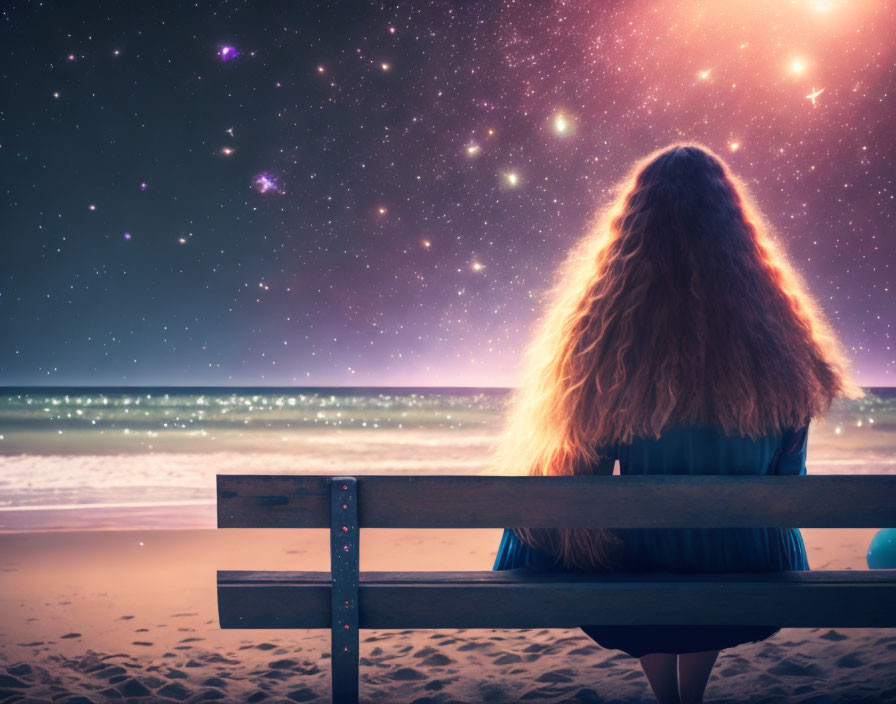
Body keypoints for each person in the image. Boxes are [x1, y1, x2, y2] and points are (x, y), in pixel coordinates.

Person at [490, 144, 862, 704]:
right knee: (705, 543)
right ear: (736, 232)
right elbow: (792, 479)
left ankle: (668, 698)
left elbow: (580, 472)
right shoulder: (781, 341)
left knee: (607, 532)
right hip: (751, 570)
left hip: (646, 570)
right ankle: (690, 696)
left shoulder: (605, 342)